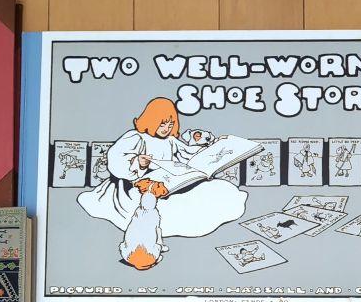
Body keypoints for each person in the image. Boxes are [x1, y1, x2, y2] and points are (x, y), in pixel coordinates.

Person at [77, 97, 247, 240]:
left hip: (171, 180)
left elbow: (188, 154)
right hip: (136, 183)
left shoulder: (170, 140)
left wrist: (214, 146)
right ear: (151, 120)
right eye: (162, 124)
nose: (166, 129)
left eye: (170, 124)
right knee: (159, 208)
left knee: (213, 192)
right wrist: (138, 162)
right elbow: (116, 159)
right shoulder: (136, 137)